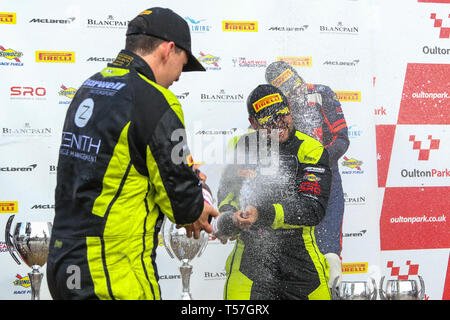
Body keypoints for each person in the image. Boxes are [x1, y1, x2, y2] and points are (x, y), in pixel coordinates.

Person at [47, 7, 218, 300]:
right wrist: (198, 194)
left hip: (63, 263)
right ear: (169, 49)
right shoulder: (156, 100)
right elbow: (184, 206)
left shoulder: (89, 87)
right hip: (111, 272)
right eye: (183, 63)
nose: (179, 77)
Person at [216, 84, 332, 300]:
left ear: (290, 109)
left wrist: (262, 214)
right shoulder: (241, 146)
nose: (279, 124)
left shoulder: (311, 149)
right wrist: (230, 218)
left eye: (283, 115)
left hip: (301, 262)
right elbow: (227, 196)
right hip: (250, 261)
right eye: (269, 121)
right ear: (253, 123)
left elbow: (312, 209)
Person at [265, 61, 350, 290]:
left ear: (297, 75)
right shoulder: (277, 111)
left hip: (327, 182)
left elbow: (342, 138)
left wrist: (318, 162)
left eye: (294, 81)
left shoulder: (322, 93)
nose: (294, 90)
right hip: (292, 188)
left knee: (330, 256)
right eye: (286, 88)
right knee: (299, 260)